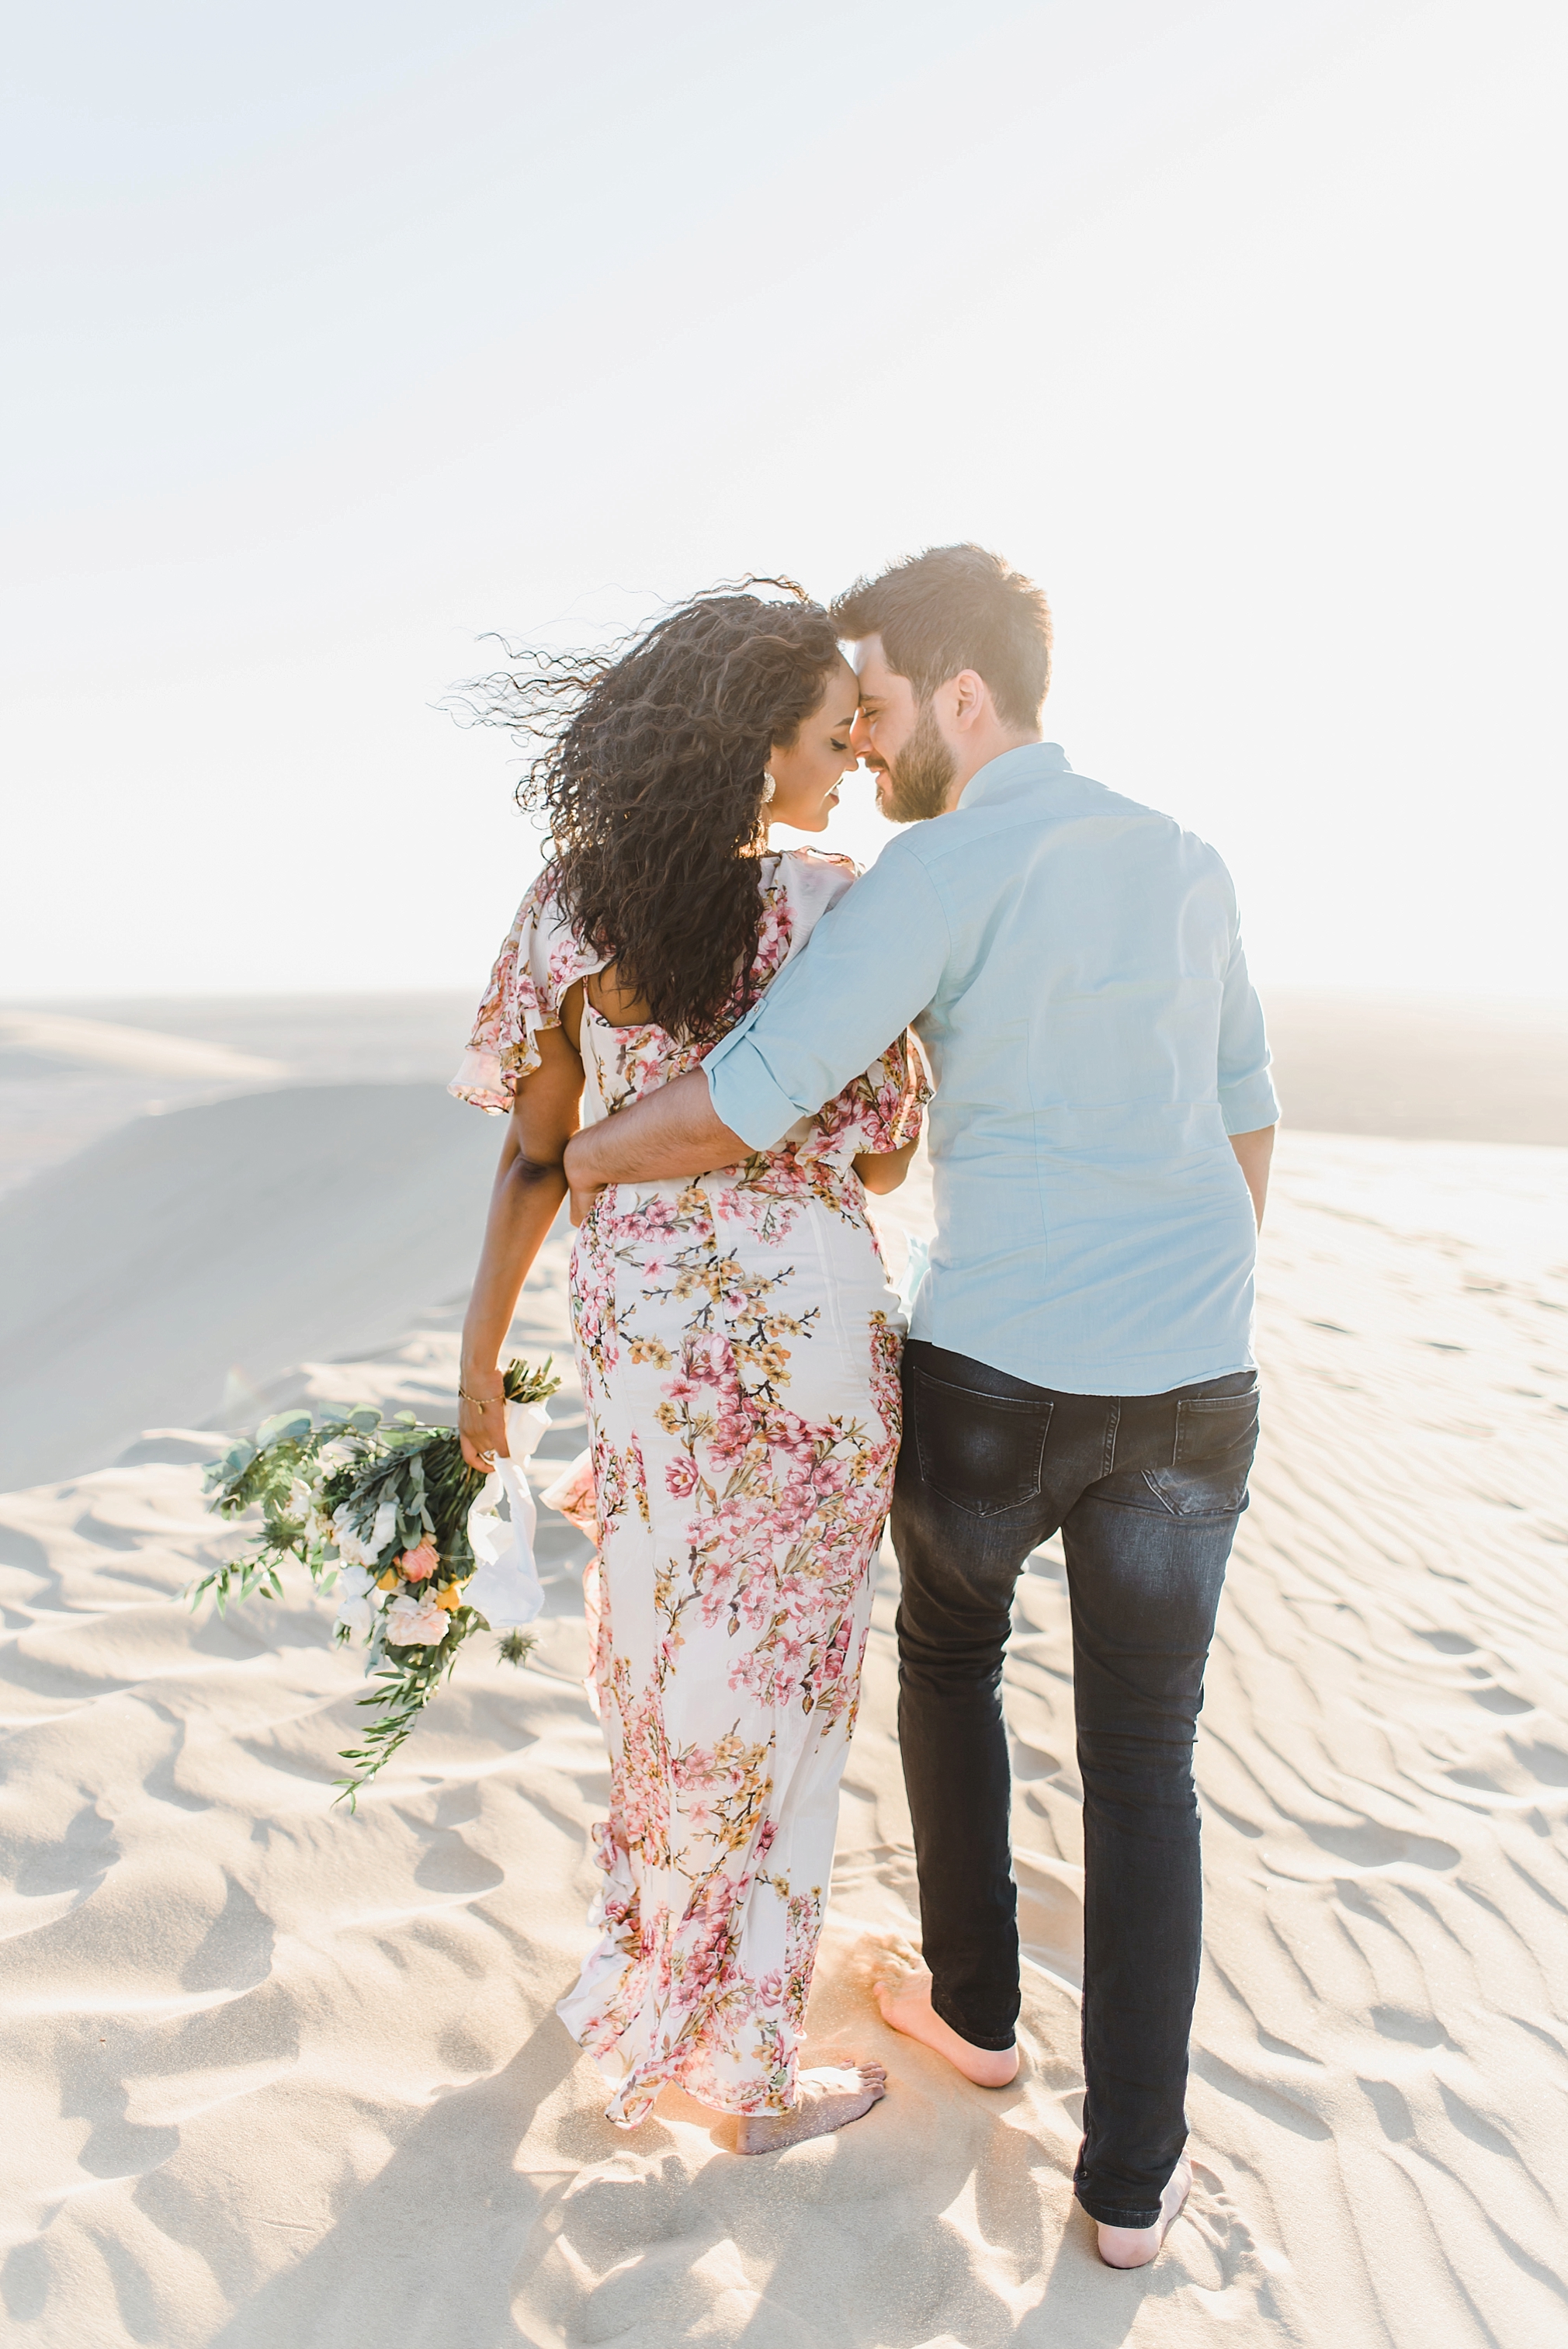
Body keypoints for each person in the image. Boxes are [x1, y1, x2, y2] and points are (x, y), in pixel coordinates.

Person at [561, 543, 1280, 2265]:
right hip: (1189, 1383)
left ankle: (970, 2009)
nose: (868, 747)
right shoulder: (1187, 858)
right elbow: (1245, 1116)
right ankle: (1124, 2193)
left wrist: (580, 1154)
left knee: (951, 1659)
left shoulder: (934, 870)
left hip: (996, 1382)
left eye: (876, 704)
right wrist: (1163, 1300)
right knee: (1146, 1764)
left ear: (963, 695)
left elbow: (747, 1098)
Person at [449, 584, 929, 2151]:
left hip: (646, 1354)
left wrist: (477, 1359)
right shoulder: (830, 907)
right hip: (801, 1352)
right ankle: (737, 2068)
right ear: (752, 747)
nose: (855, 754)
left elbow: (535, 1160)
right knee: (781, 1690)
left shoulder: (567, 904)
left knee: (662, 1669)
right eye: (830, 732)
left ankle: (655, 1980)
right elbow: (872, 1157)